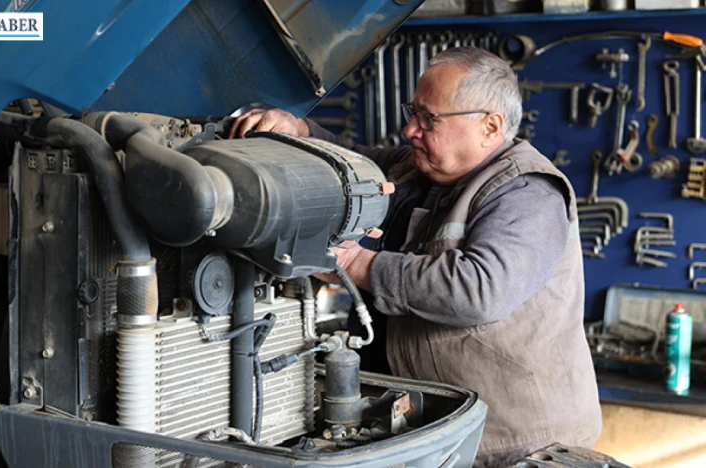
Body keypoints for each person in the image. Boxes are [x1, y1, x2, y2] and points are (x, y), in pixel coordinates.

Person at [230, 46, 602, 466]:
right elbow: (353, 162)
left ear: (490, 127)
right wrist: (299, 130)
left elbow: (478, 291)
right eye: (413, 112)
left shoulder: (527, 192)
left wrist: (358, 265)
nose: (410, 130)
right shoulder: (417, 169)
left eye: (429, 119)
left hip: (518, 445)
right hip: (442, 430)